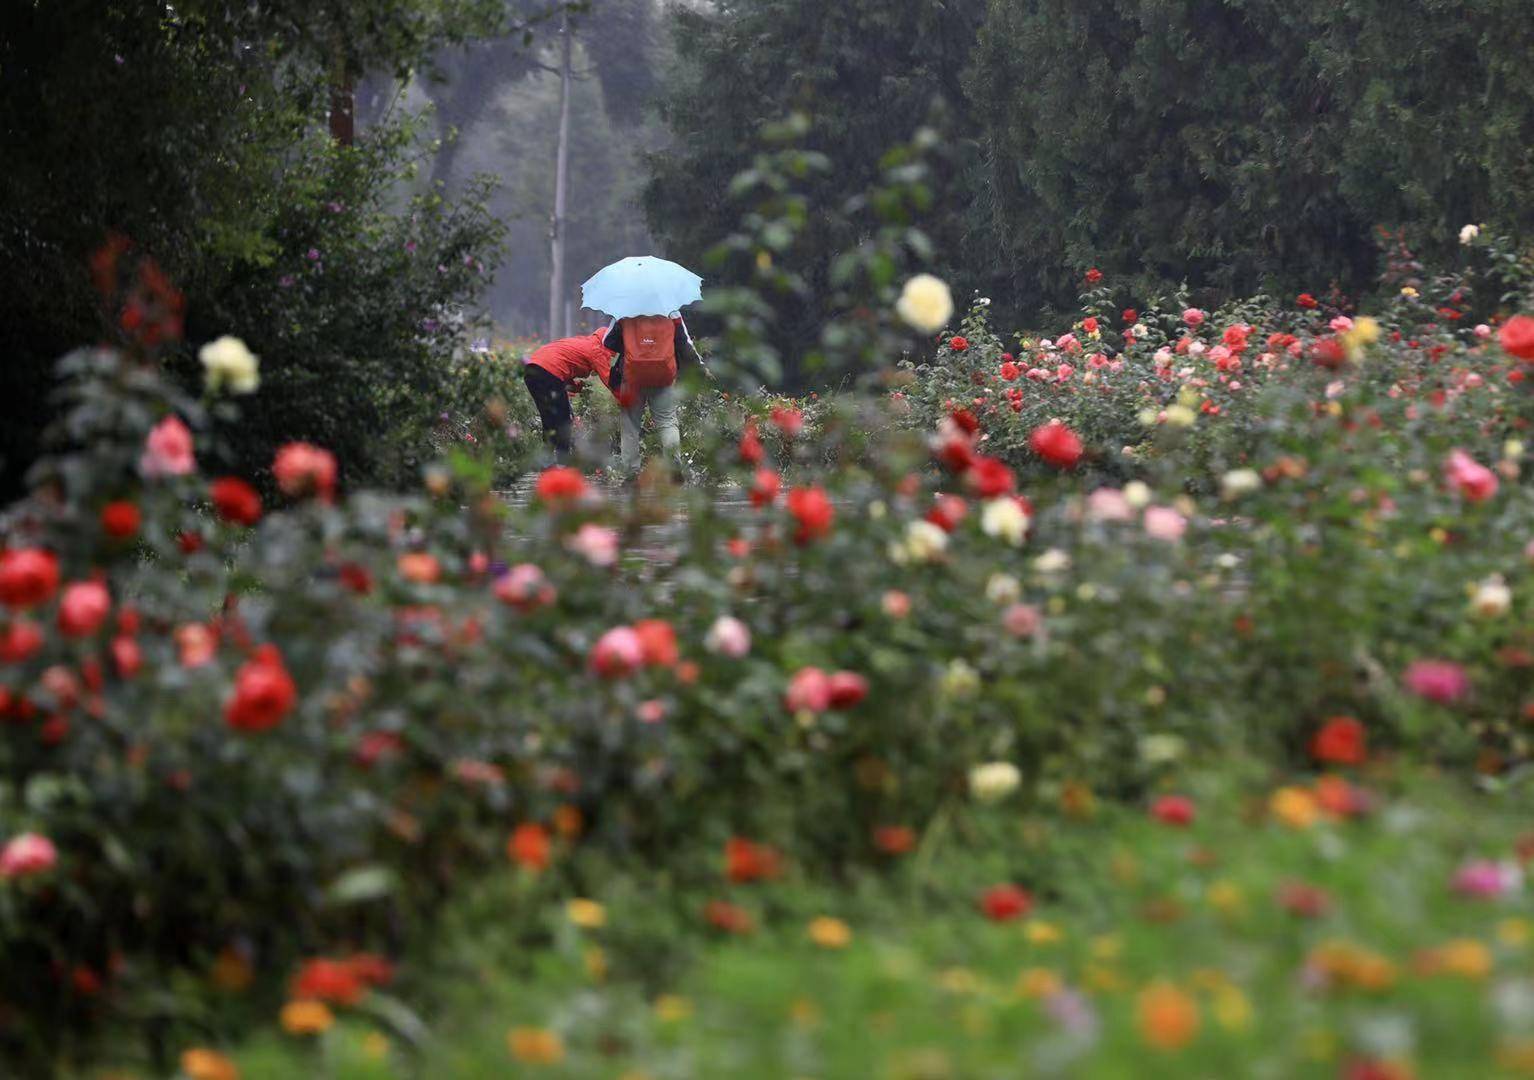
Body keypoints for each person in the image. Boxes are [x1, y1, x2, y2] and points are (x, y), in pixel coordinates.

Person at [604, 312, 707, 475]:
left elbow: (607, 341)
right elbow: (684, 343)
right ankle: (673, 468)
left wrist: (632, 348)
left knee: (630, 425)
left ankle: (631, 473)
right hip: (663, 377)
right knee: (667, 422)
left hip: (632, 377)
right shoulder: (671, 311)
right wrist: (700, 367)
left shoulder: (624, 311)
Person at [522, 329, 614, 460]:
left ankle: (546, 461)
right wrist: (624, 398)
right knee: (564, 421)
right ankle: (562, 462)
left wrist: (576, 387)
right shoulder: (596, 349)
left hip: (531, 370)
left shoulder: (582, 342)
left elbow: (563, 363)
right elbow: (609, 380)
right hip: (549, 372)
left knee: (548, 419)